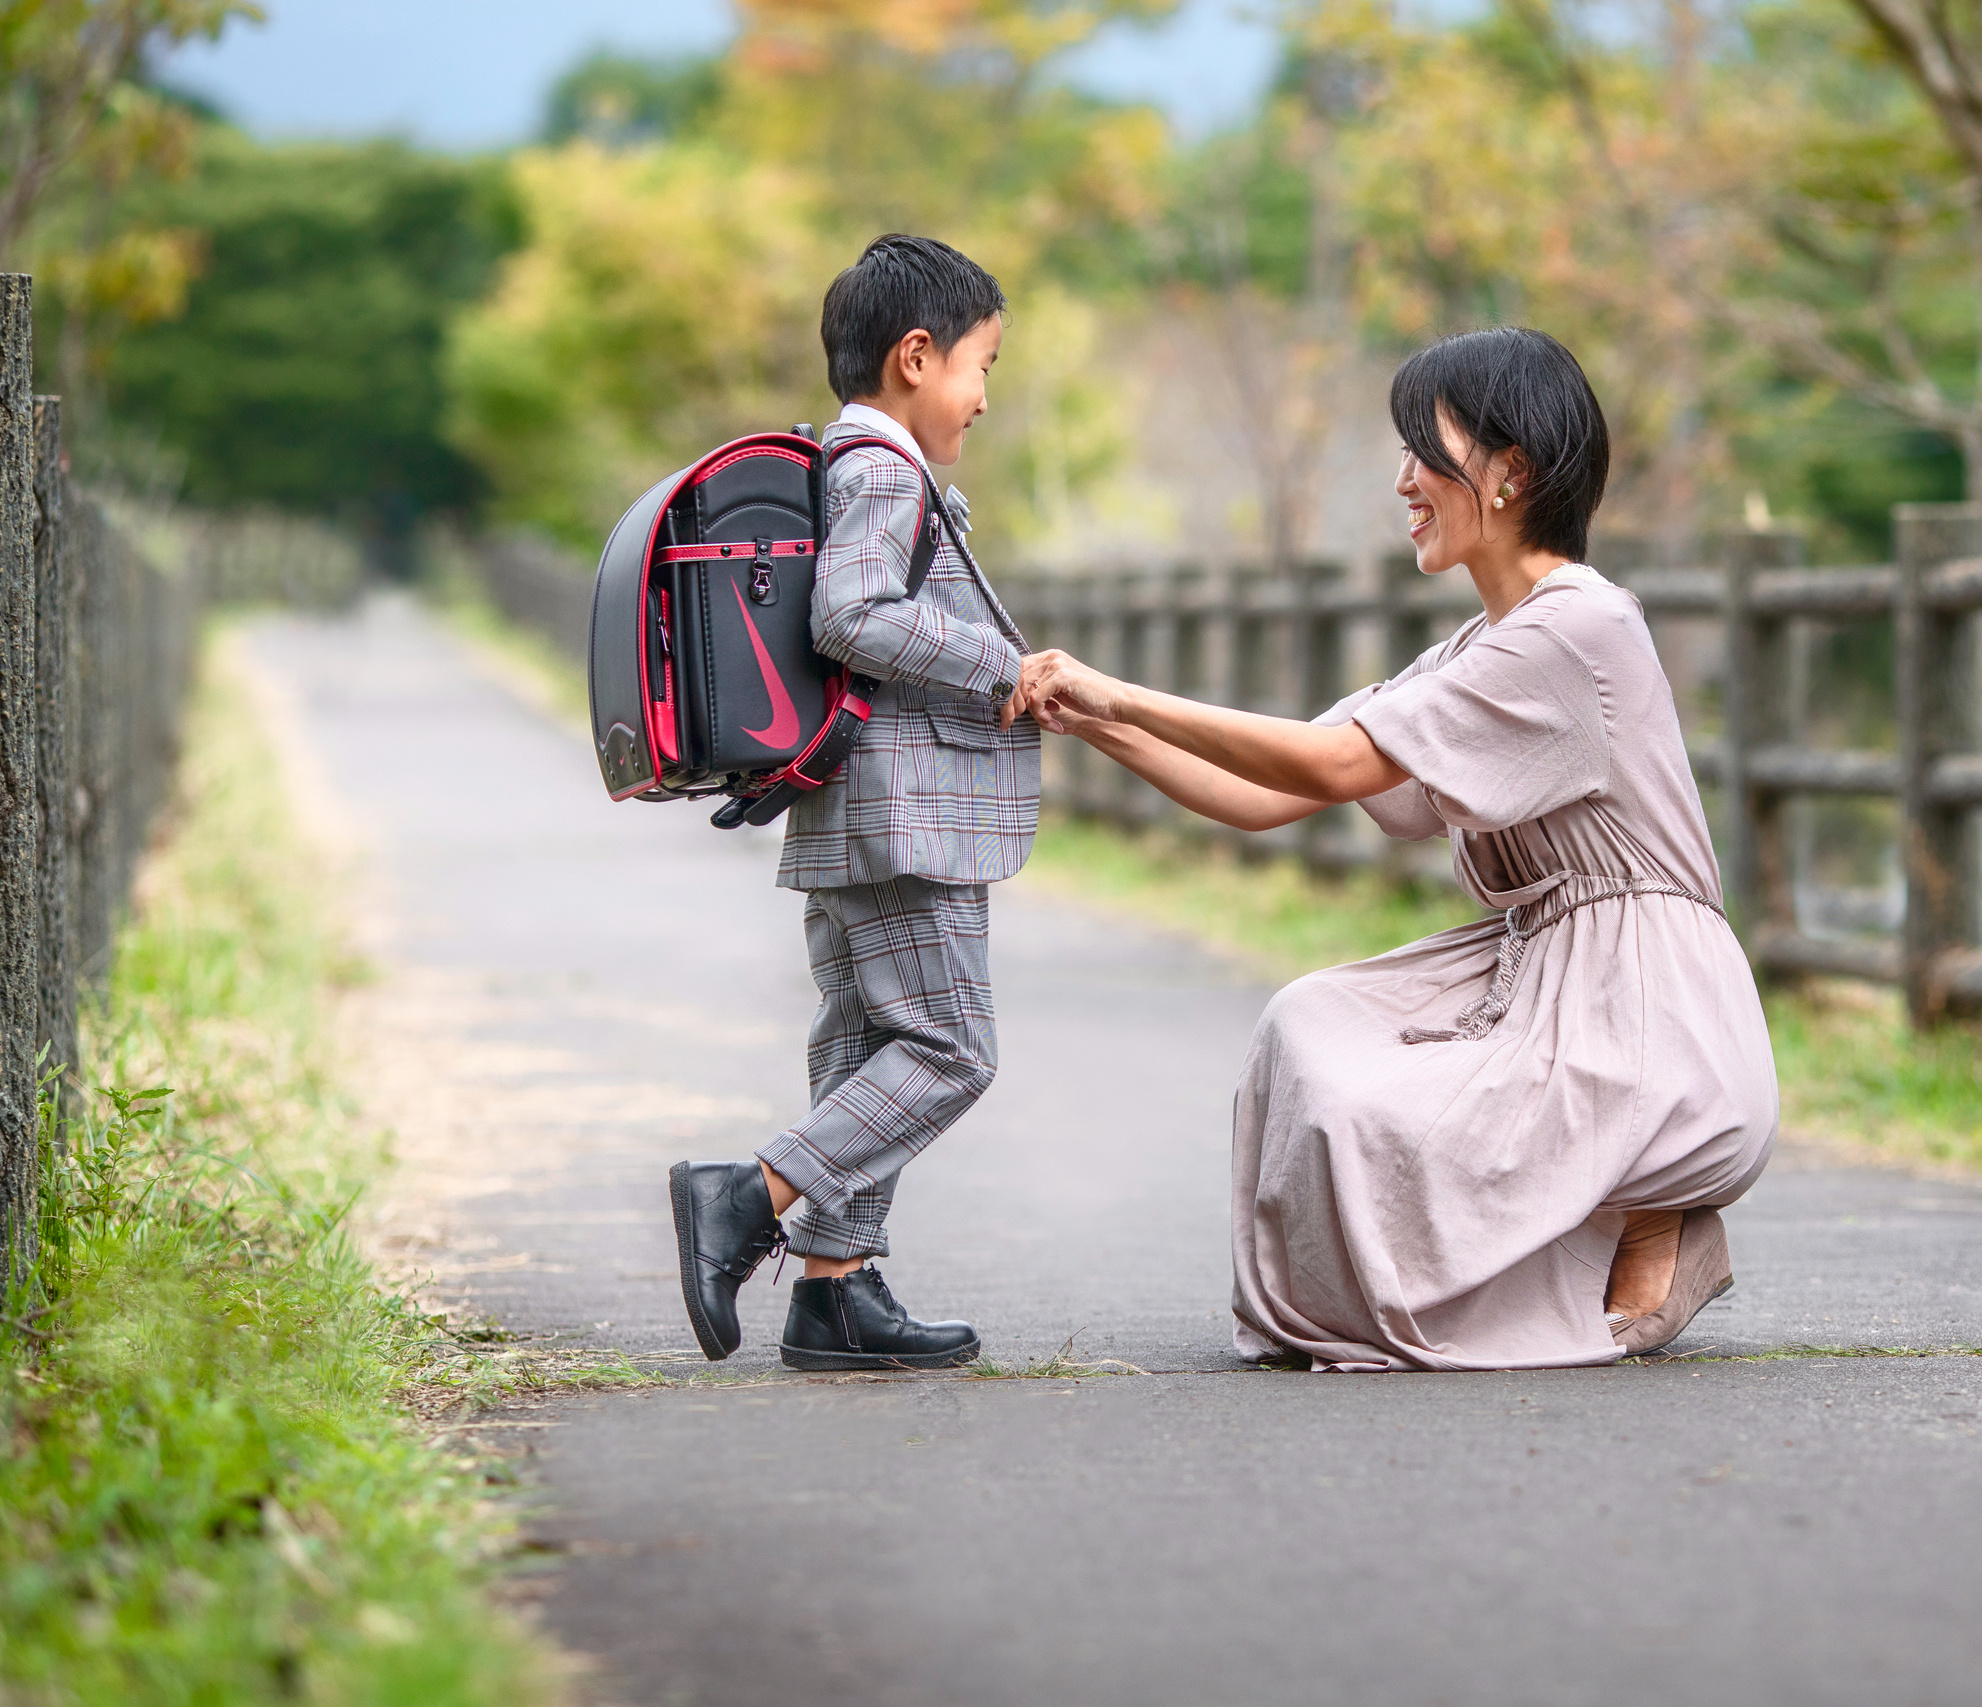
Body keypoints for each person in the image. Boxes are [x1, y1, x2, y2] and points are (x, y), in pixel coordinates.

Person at [1015, 327, 1779, 1370]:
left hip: (1643, 1007)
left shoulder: (1578, 629)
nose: (1402, 479)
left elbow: (1331, 765)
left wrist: (1120, 688)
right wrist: (1092, 721)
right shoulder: (1478, 651)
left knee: (1366, 1107)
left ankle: (1650, 1207)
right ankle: (1585, 1227)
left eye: (1425, 448)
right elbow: (1259, 795)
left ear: (1512, 470)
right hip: (1539, 969)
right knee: (1310, 1024)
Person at [669, 235, 1039, 1371]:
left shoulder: (856, 461)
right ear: (916, 357)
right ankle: (749, 1192)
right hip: (905, 814)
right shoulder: (884, 469)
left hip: (855, 809)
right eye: (981, 366)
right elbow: (854, 615)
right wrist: (1001, 666)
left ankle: (835, 1291)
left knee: (866, 1042)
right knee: (950, 1050)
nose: (983, 397)